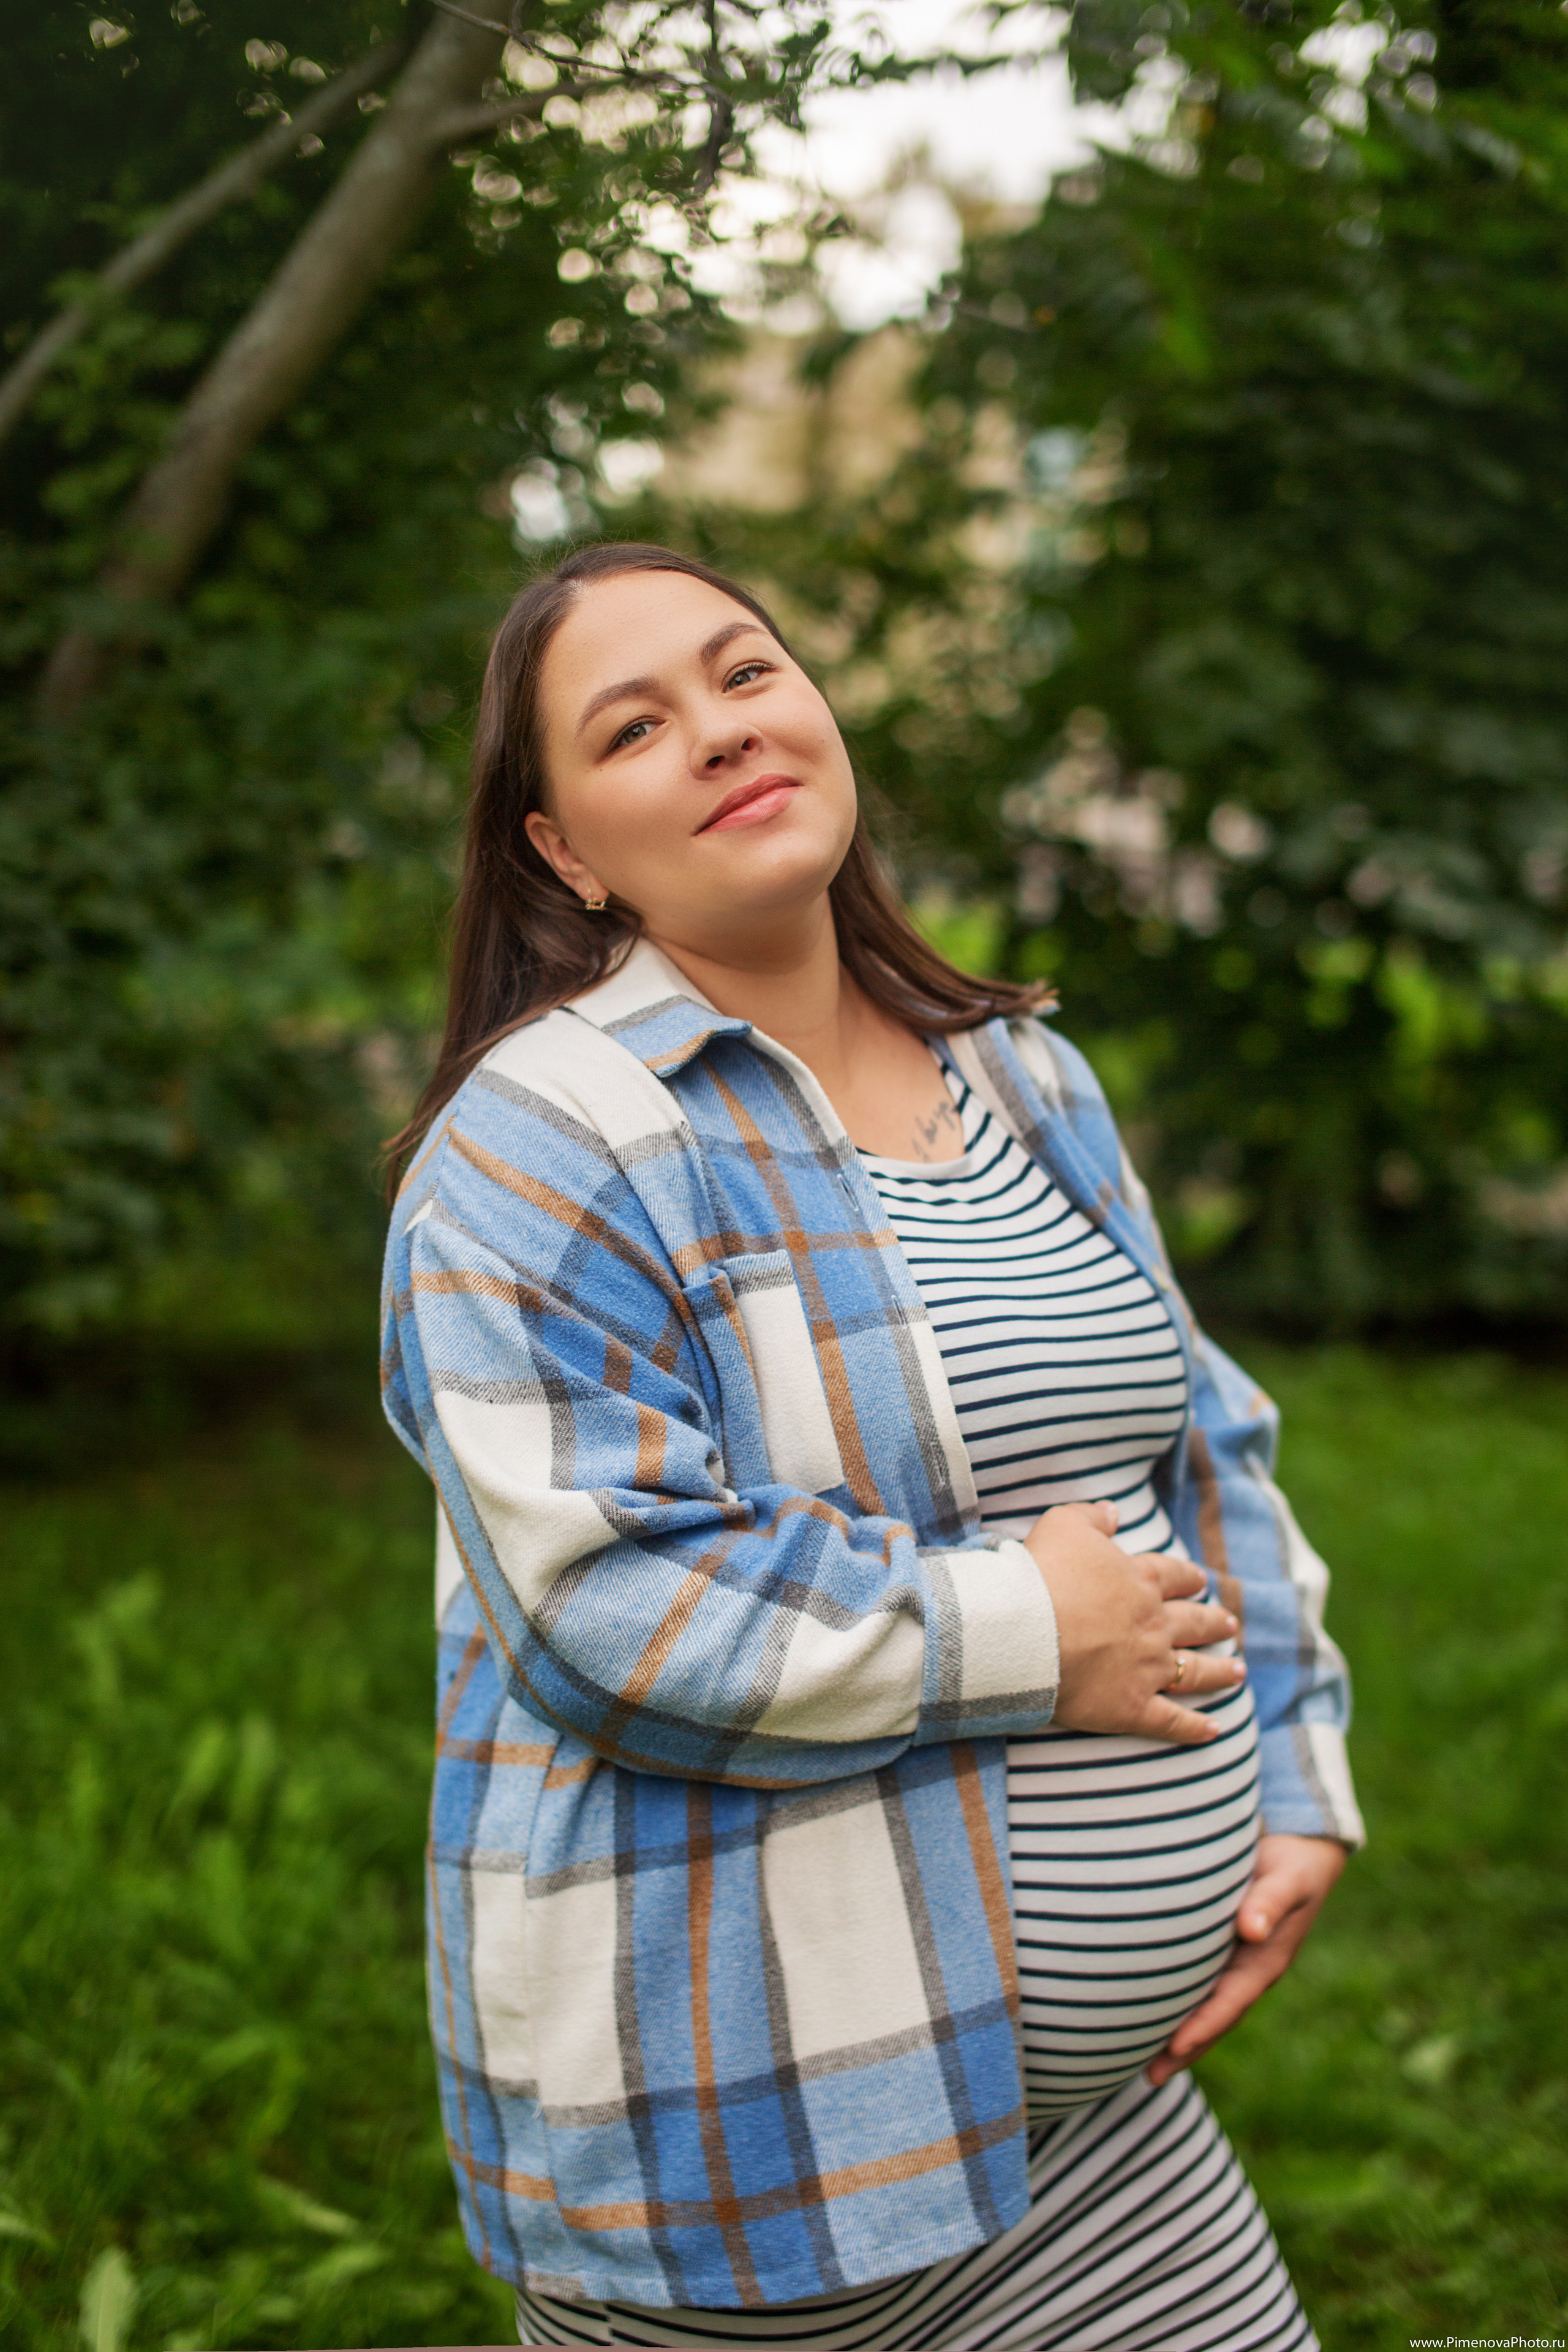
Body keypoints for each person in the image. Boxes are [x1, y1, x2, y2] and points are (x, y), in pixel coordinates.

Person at [380, 542, 1363, 2351]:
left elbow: (1198, 1436)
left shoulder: (1018, 1073)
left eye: (746, 672)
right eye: (634, 725)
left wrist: (1295, 1765)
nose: (721, 731)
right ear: (565, 852)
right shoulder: (543, 1151)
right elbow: (615, 1607)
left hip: (1105, 2136)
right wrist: (1029, 1631)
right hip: (771, 2153)